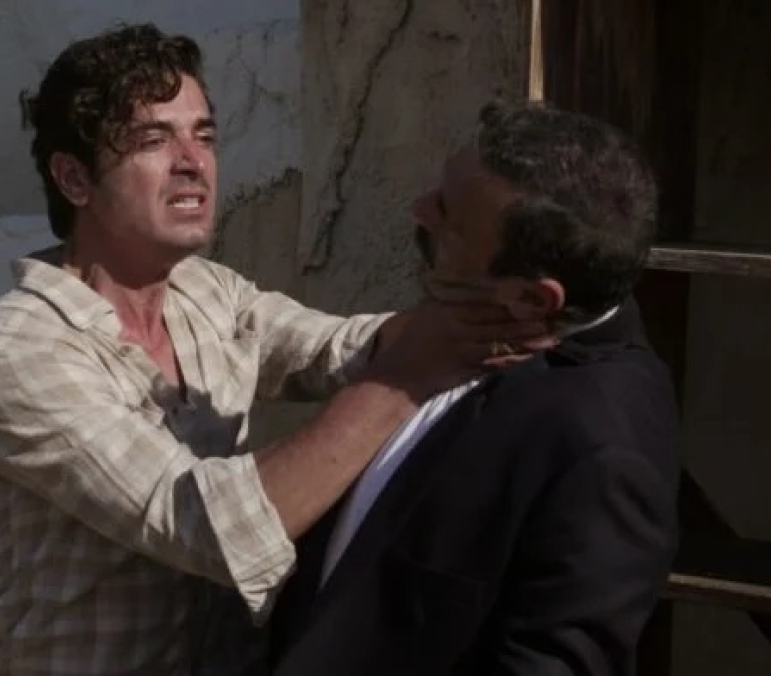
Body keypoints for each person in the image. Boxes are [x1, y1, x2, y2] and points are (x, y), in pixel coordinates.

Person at [0, 23, 550, 676]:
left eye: (203, 136)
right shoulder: (14, 353)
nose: (192, 163)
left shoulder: (204, 292)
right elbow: (204, 526)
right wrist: (406, 378)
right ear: (74, 178)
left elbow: (342, 347)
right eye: (153, 140)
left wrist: (493, 311)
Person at [269, 100, 681, 675]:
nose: (419, 210)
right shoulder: (462, 332)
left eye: (448, 218)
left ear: (532, 298)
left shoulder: (603, 448)